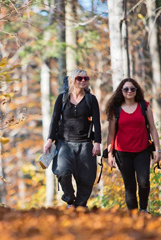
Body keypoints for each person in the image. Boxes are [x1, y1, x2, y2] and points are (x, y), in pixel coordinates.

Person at [44, 69, 101, 208]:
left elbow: (97, 122)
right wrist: (49, 140)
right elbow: (54, 120)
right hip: (64, 143)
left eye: (85, 78)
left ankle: (80, 206)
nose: (82, 81)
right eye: (79, 78)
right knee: (62, 172)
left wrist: (97, 143)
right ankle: (70, 200)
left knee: (87, 178)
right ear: (72, 80)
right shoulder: (62, 98)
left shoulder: (91, 99)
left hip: (85, 144)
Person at [105, 78, 161, 213]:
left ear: (136, 91)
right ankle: (133, 215)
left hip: (142, 150)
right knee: (130, 186)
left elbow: (153, 128)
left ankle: (143, 210)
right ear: (121, 91)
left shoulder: (144, 106)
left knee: (144, 182)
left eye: (132, 89)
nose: (129, 91)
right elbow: (111, 133)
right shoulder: (115, 110)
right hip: (122, 152)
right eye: (126, 89)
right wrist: (110, 154)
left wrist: (158, 150)